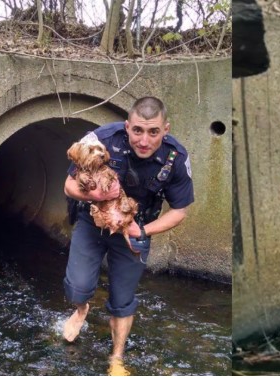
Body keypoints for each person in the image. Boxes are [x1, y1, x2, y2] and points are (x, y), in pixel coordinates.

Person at [62, 96, 194, 375]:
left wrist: (141, 230)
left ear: (165, 129)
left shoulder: (175, 158)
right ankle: (81, 308)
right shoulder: (102, 139)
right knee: (77, 286)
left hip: (136, 226)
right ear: (127, 126)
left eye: (153, 132)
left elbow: (180, 211)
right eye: (137, 130)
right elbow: (68, 185)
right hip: (93, 220)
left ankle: (117, 359)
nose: (144, 140)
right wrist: (94, 194)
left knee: (122, 300)